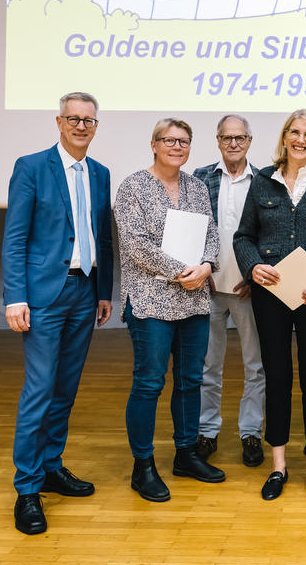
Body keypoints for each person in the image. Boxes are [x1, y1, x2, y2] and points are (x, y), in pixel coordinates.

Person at [3, 91, 113, 535]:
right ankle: (27, 488)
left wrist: (104, 291)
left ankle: (51, 466)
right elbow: (15, 237)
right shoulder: (31, 167)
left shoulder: (100, 173)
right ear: (59, 122)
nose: (81, 126)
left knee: (65, 388)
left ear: (96, 126)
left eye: (88, 120)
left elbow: (103, 237)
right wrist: (15, 297)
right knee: (40, 389)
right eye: (73, 119)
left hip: (85, 292)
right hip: (44, 296)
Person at [233, 109, 306, 503]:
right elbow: (243, 236)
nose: (301, 140)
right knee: (277, 376)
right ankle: (279, 465)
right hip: (271, 295)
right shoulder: (263, 181)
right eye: (295, 132)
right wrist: (252, 266)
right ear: (285, 137)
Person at [114, 118, 225, 503]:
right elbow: (134, 244)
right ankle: (142, 465)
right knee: (149, 383)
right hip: (150, 299)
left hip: (193, 299)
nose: (177, 147)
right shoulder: (133, 187)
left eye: (184, 141)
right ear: (154, 144)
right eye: (169, 140)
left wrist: (206, 266)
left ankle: (186, 454)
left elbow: (211, 235)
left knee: (191, 380)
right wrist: (182, 270)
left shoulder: (197, 187)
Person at [193, 114, 265, 467]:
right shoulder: (200, 177)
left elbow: (270, 234)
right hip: (207, 287)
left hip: (250, 289)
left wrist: (255, 276)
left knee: (256, 366)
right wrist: (199, 266)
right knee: (208, 366)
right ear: (218, 140)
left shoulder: (265, 181)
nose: (233, 143)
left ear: (249, 141)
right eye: (227, 137)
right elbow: (191, 229)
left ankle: (250, 432)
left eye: (240, 137)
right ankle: (207, 431)